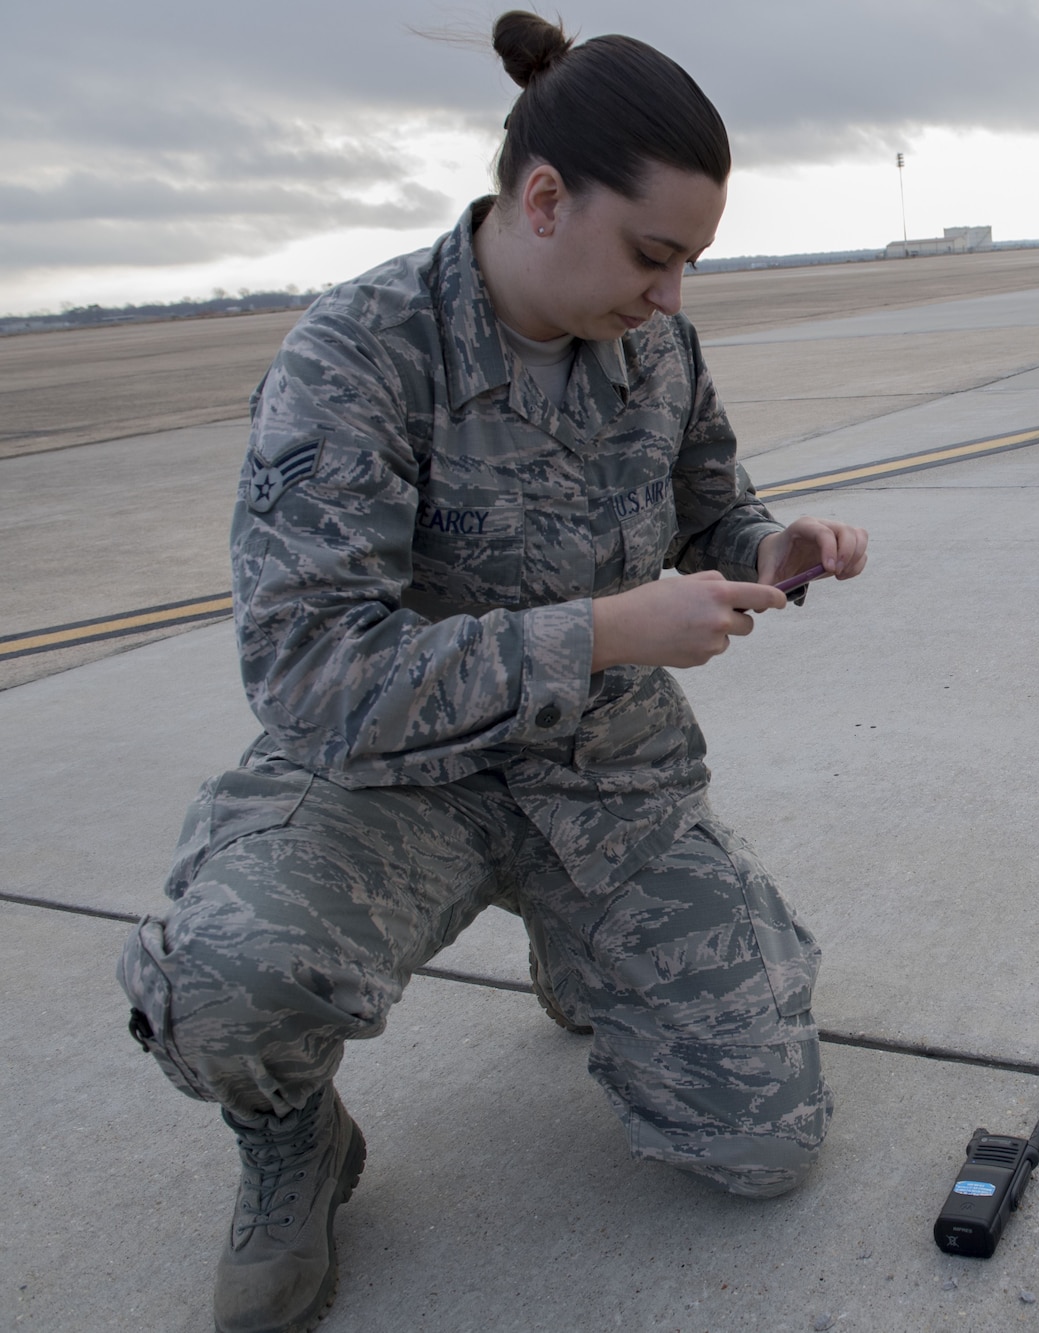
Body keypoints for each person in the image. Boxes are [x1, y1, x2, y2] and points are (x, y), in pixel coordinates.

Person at [115, 13, 867, 1332]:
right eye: (652, 255)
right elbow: (309, 672)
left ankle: (579, 949)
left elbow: (707, 504)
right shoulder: (358, 356)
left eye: (690, 263)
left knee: (763, 1146)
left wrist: (770, 544)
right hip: (396, 784)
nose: (671, 294)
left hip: (604, 776)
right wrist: (606, 633)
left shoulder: (659, 350)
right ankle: (297, 1147)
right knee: (233, 976)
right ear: (541, 200)